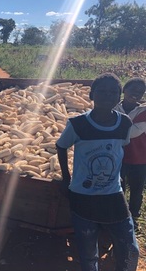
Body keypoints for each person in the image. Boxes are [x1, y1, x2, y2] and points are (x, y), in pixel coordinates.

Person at [56, 73, 139, 271]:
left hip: (113, 195)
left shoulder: (125, 123)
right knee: (88, 252)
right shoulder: (77, 124)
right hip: (83, 196)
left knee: (130, 248)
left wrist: (122, 179)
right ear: (92, 95)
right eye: (102, 91)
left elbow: (121, 152)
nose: (107, 96)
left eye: (113, 92)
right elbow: (61, 146)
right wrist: (66, 178)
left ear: (119, 97)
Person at [113, 77, 146, 231]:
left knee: (137, 189)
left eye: (140, 92)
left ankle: (133, 215)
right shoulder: (115, 107)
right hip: (119, 157)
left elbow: (133, 132)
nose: (136, 94)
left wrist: (113, 129)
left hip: (139, 158)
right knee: (119, 186)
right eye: (133, 90)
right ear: (124, 90)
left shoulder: (143, 112)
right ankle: (120, 213)